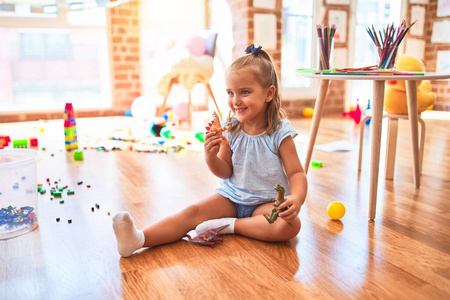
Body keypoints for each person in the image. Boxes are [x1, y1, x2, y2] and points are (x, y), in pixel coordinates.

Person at [112, 44, 308, 257]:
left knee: (290, 225)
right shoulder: (231, 128)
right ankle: (138, 239)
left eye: (245, 92)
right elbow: (224, 171)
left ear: (269, 93)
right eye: (230, 93)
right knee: (192, 212)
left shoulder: (280, 132)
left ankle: (229, 225)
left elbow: (296, 173)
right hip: (231, 198)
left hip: (266, 203)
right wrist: (210, 156)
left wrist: (296, 199)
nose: (235, 101)